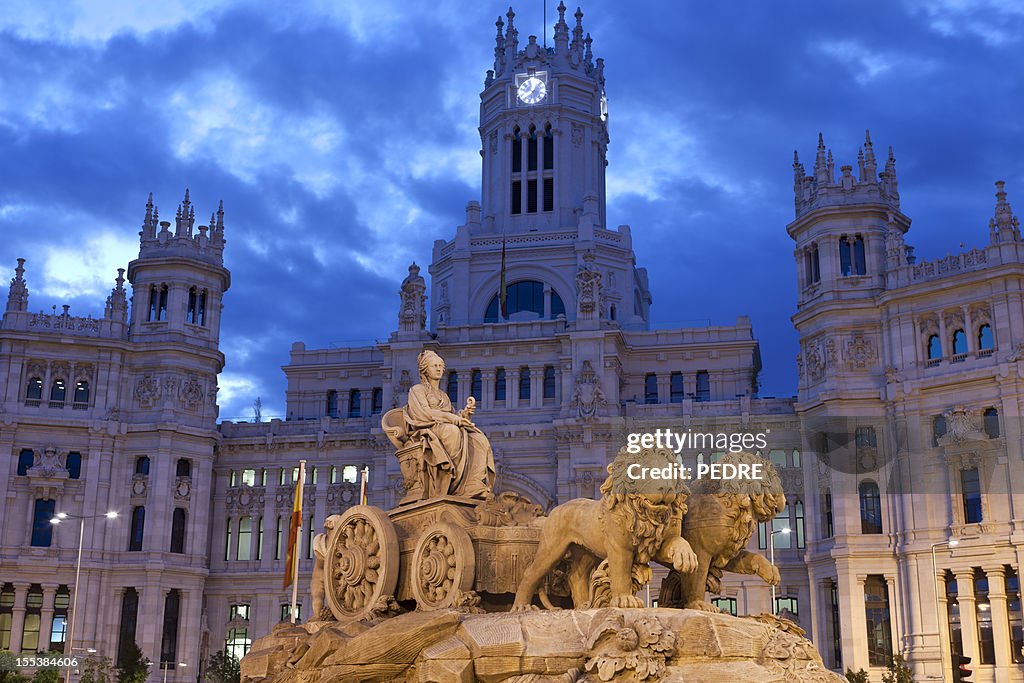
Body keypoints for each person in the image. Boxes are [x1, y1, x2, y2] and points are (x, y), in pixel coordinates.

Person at [403, 350, 495, 498]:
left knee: (479, 439)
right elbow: (424, 413)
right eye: (434, 366)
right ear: (425, 369)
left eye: (441, 365)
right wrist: (454, 419)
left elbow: (453, 416)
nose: (439, 368)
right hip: (427, 429)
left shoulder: (443, 396)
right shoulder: (417, 390)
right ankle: (451, 482)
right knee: (452, 432)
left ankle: (472, 484)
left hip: (445, 428)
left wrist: (465, 414)